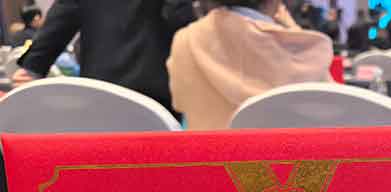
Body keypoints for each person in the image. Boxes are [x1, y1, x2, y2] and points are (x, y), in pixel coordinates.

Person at [167, 0, 332, 130]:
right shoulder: (309, 50)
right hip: (289, 162)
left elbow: (180, 103)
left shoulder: (185, 41)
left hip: (210, 160)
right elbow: (333, 111)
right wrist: (293, 29)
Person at [13, 0, 195, 112]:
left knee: (104, 158)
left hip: (101, 87)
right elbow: (179, 16)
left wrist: (33, 66)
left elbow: (62, 15)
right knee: (160, 160)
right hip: (155, 89)